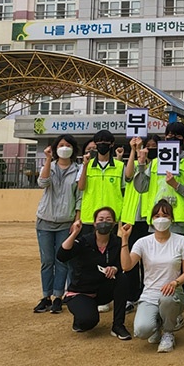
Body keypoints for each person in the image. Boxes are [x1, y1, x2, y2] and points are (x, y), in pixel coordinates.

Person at [120, 199, 184, 353]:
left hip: (173, 293)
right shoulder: (143, 242)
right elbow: (127, 266)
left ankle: (168, 332)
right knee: (141, 331)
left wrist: (175, 283)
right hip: (149, 294)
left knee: (167, 299)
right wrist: (125, 239)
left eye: (165, 215)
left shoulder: (181, 241)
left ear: (171, 219)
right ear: (151, 219)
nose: (161, 219)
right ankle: (157, 326)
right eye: (157, 215)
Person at [56, 207, 131, 340]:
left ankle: (118, 325)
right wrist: (74, 234)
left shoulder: (117, 243)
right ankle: (81, 318)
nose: (104, 222)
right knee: (88, 321)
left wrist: (115, 268)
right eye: (101, 219)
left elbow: (126, 265)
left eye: (108, 219)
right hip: (82, 291)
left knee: (123, 278)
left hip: (103, 291)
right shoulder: (84, 241)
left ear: (114, 223)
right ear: (95, 223)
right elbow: (62, 256)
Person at [34, 134, 81, 314]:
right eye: (61, 145)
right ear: (55, 148)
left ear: (73, 148)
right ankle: (45, 296)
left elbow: (79, 196)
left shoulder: (77, 169)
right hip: (45, 220)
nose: (64, 148)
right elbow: (42, 183)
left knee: (62, 261)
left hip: (65, 222)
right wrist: (47, 159)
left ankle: (58, 297)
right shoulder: (50, 166)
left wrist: (77, 219)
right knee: (46, 261)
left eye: (68, 145)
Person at [120, 135, 161, 313]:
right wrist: (134, 151)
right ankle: (131, 296)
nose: (150, 149)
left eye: (154, 146)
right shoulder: (137, 163)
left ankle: (147, 294)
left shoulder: (159, 166)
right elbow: (128, 176)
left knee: (150, 261)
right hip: (132, 218)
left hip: (150, 219)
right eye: (147, 145)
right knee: (132, 259)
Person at [78, 130, 125, 236]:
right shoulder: (87, 165)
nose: (102, 144)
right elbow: (81, 187)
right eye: (99, 142)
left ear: (111, 144)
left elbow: (124, 190)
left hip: (111, 217)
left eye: (105, 142)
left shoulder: (120, 166)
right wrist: (85, 165)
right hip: (90, 216)